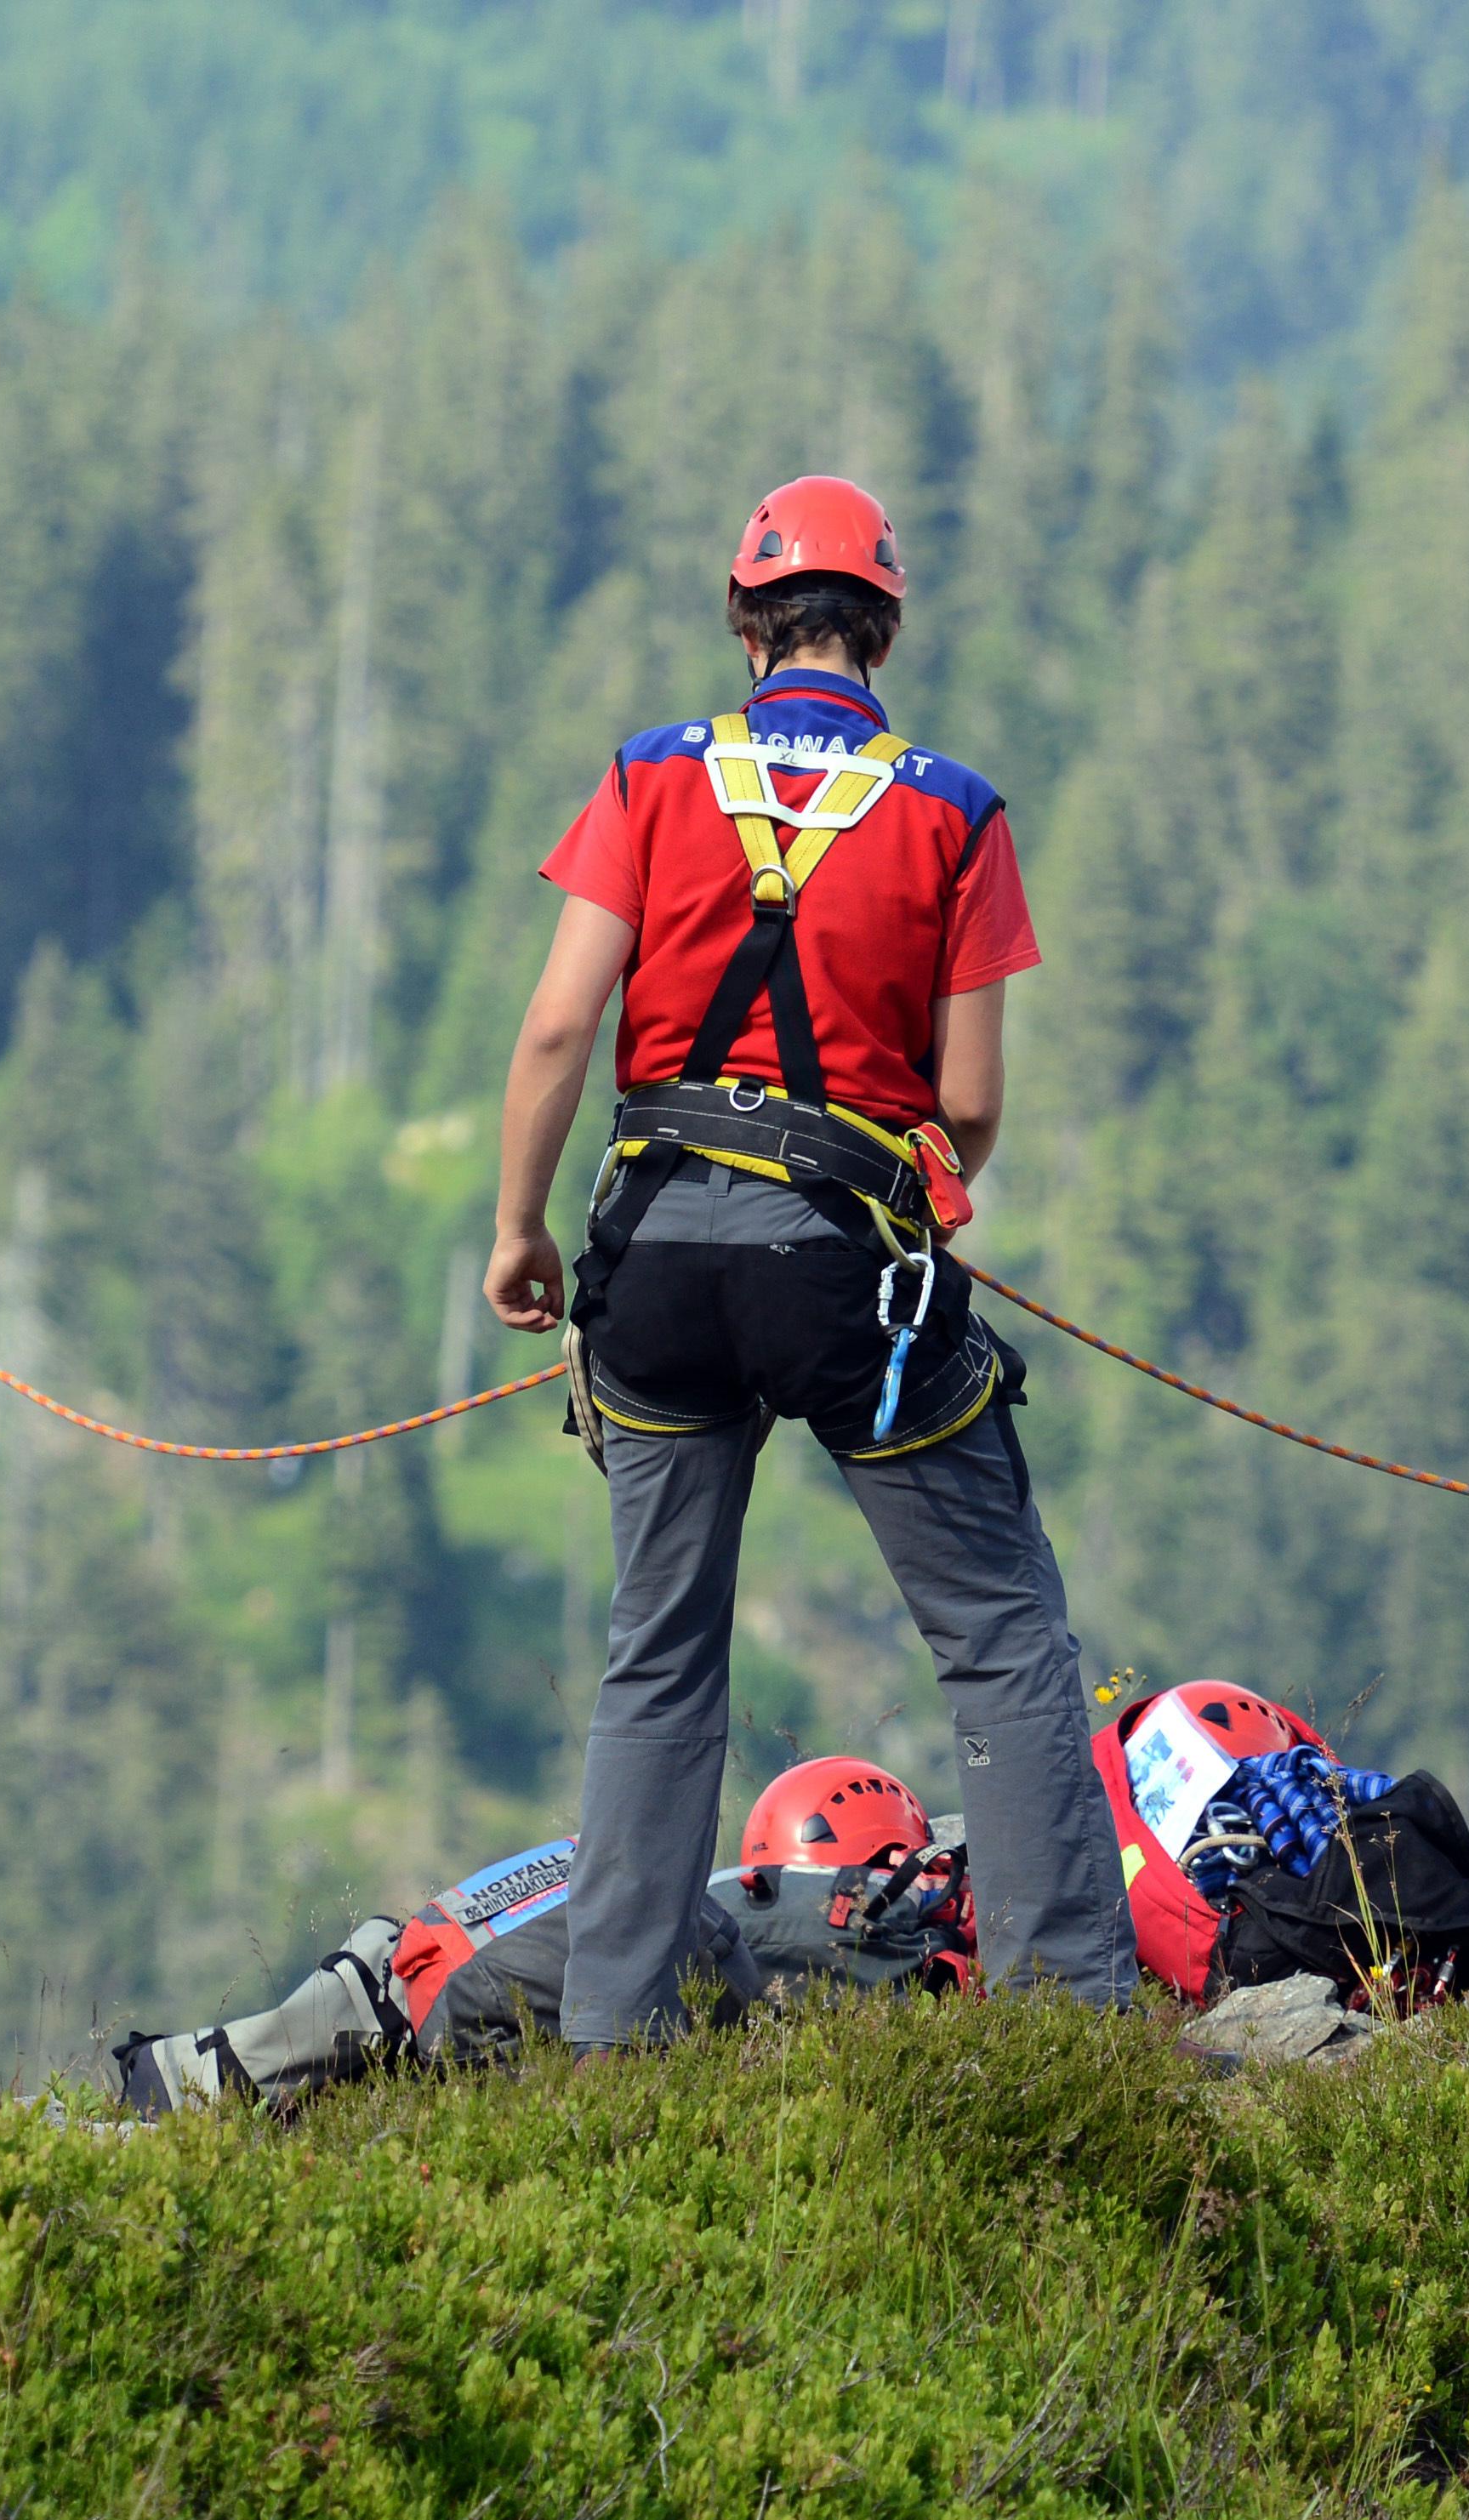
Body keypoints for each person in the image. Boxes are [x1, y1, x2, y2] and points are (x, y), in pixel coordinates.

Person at [478, 476, 1133, 2047]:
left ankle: (612, 2037)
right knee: (997, 1635)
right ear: (883, 628)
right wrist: (905, 1186)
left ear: (744, 622)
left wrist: (516, 1230)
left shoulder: (647, 778)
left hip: (650, 1261)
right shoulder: (950, 812)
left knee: (657, 1659)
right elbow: (966, 1104)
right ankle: (1068, 2017)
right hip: (845, 1271)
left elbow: (564, 1020)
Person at [107, 1759, 979, 2112]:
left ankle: (178, 2086)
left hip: (417, 1980)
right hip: (486, 2021)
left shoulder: (654, 1876)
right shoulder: (802, 1919)